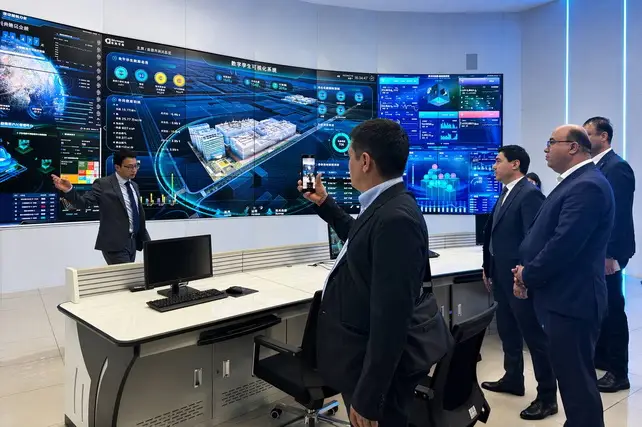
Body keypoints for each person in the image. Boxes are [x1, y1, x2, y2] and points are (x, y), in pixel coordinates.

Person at [297, 119, 449, 427]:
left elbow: (391, 320)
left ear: (365, 161)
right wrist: (324, 203)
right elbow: (360, 238)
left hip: (376, 372)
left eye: (350, 157)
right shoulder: (386, 204)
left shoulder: (395, 218)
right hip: (361, 359)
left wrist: (370, 396)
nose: (348, 164)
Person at [513, 125, 614, 427]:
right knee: (572, 381)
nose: (545, 149)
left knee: (577, 384)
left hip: (573, 301)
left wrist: (528, 275)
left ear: (573, 147)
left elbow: (563, 244)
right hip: (562, 298)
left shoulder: (587, 185)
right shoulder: (573, 182)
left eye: (551, 142)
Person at [481, 146, 557, 420]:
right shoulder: (506, 192)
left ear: (515, 164)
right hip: (500, 275)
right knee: (508, 331)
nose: (493, 166)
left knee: (534, 337)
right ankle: (513, 378)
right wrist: (487, 267)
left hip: (518, 277)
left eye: (498, 161)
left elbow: (534, 240)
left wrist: (523, 277)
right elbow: (494, 234)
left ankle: (547, 397)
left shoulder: (529, 194)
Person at [584, 116, 636, 392]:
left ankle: (619, 372)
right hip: (596, 251)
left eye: (588, 133)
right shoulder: (595, 166)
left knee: (614, 311)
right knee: (601, 308)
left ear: (603, 137)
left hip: (609, 252)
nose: (583, 139)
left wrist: (610, 255)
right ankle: (603, 358)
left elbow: (618, 214)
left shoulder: (617, 167)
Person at [52, 148, 151, 264]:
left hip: (133, 242)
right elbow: (83, 203)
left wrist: (147, 242)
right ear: (117, 167)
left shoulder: (134, 186)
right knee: (125, 275)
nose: (134, 170)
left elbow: (137, 215)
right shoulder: (103, 184)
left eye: (136, 166)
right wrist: (69, 190)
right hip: (114, 244)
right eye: (129, 167)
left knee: (128, 275)